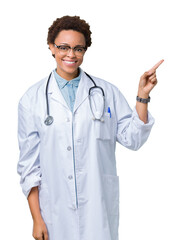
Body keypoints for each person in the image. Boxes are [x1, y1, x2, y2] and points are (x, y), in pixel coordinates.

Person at [17, 15, 164, 240]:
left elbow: (133, 139)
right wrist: (37, 219)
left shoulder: (106, 92)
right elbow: (29, 168)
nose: (71, 55)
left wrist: (142, 97)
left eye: (79, 49)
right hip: (55, 214)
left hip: (98, 210)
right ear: (51, 47)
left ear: (85, 51)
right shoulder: (31, 100)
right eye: (63, 47)